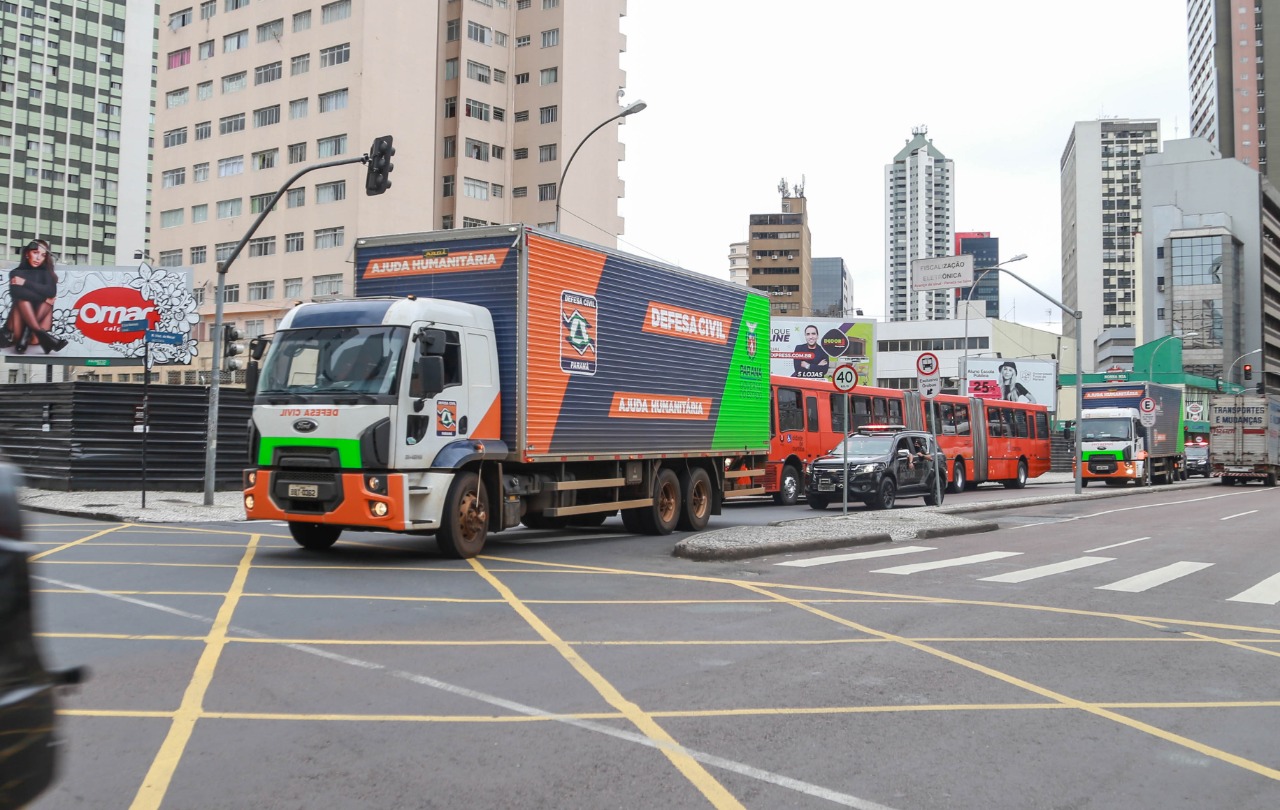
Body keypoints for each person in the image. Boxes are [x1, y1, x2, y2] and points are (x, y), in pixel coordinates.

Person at [1, 239, 67, 354]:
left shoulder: (46, 273)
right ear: (27, 253)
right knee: (23, 301)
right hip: (16, 331)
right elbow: (18, 293)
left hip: (32, 338)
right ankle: (44, 338)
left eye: (43, 255)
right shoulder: (16, 273)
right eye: (35, 253)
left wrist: (24, 283)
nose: (38, 258)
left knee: (46, 302)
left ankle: (31, 335)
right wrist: (43, 297)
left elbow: (51, 291)